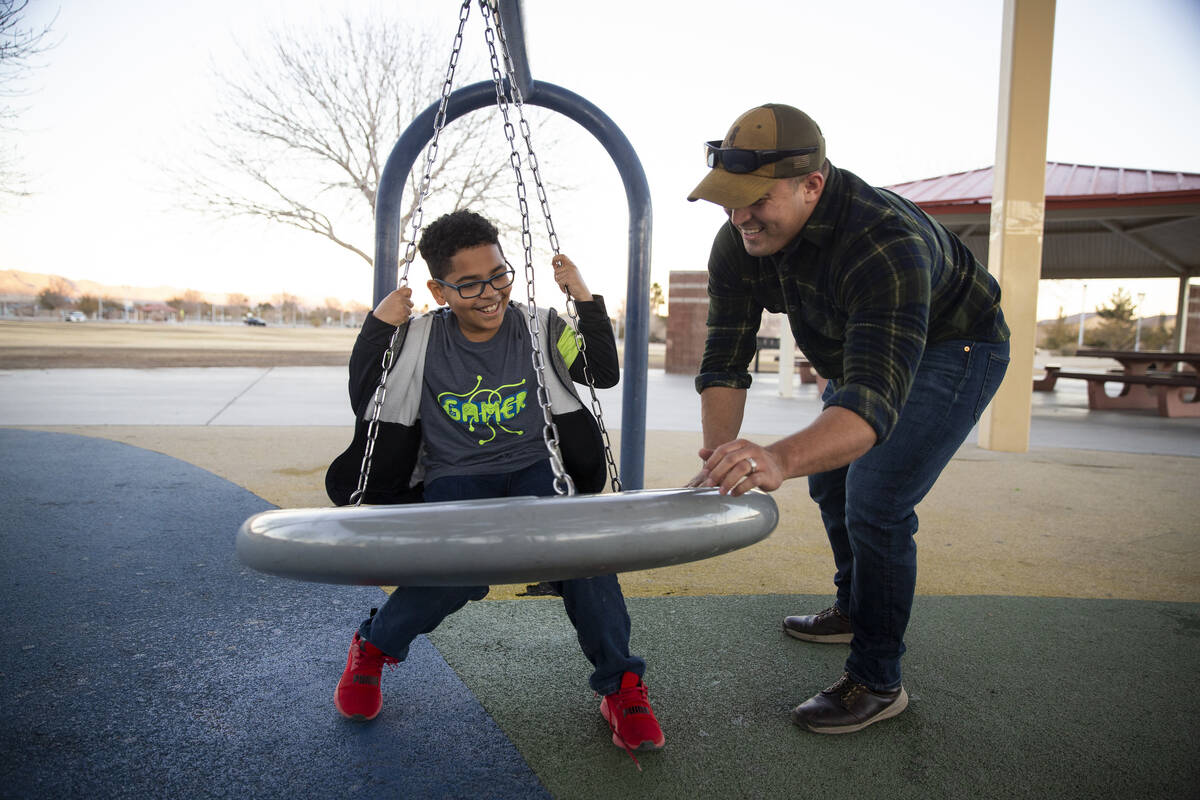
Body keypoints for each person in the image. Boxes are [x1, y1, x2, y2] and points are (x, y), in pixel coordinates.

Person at [686, 104, 1010, 734]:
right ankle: (856, 607)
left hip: (955, 346)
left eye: (756, 199)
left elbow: (869, 406)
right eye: (729, 199)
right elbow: (725, 356)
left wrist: (776, 456)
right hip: (859, 353)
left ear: (812, 184)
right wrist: (718, 458)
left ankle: (878, 680)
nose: (740, 216)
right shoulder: (740, 241)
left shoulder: (883, 241)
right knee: (831, 481)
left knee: (877, 500)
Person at [324, 209, 664, 755]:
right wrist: (380, 324)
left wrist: (583, 297)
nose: (490, 293)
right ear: (439, 290)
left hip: (537, 468)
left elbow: (601, 372)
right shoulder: (419, 338)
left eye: (498, 275)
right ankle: (373, 646)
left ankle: (621, 685)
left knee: (584, 558)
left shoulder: (542, 328)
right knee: (457, 572)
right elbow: (366, 393)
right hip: (457, 476)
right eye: (470, 284)